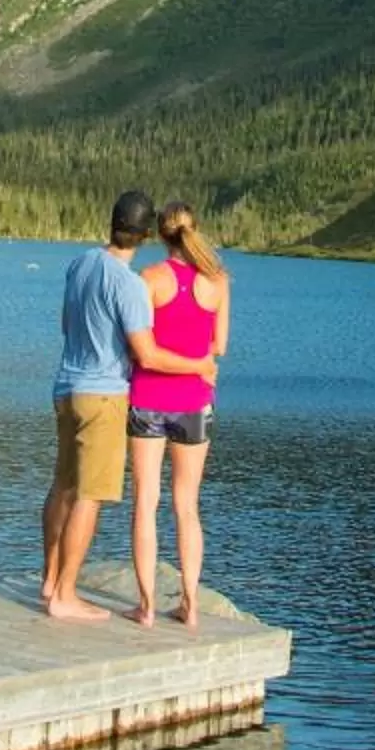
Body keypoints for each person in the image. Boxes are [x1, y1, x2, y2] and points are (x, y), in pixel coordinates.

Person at [43, 191, 215, 622]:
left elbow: (67, 324)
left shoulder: (80, 263)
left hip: (66, 387)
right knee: (90, 494)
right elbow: (148, 355)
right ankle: (64, 594)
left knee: (62, 485)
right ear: (143, 235)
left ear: (112, 224)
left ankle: (49, 578)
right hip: (103, 396)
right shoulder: (127, 284)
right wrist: (198, 363)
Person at [126, 201, 230, 630]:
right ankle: (189, 603)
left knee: (145, 503)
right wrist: (199, 362)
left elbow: (142, 349)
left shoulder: (147, 280)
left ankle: (147, 606)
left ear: (160, 236)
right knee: (187, 505)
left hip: (148, 398)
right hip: (195, 403)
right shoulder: (218, 282)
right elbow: (218, 347)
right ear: (195, 230)